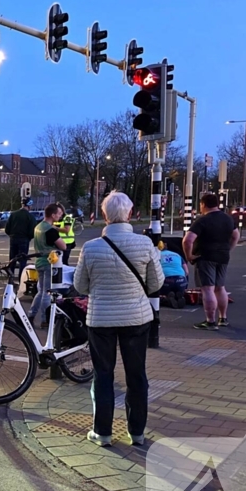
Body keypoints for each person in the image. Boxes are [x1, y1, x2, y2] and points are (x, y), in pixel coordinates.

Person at [74, 191, 164, 447]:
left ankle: (102, 433)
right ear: (130, 214)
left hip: (101, 320)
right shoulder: (145, 244)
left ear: (104, 216)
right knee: (136, 375)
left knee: (103, 375)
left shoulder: (90, 248)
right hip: (136, 319)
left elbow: (80, 286)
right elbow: (156, 282)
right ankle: (136, 432)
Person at [182, 192, 238, 331]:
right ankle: (223, 318)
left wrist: (189, 256)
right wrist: (228, 249)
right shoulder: (228, 219)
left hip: (206, 256)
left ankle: (210, 321)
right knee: (220, 287)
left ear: (203, 204)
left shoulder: (203, 221)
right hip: (223, 256)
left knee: (207, 289)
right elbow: (235, 235)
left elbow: (187, 240)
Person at [29, 203, 69, 328]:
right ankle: (45, 319)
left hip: (39, 262)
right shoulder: (50, 230)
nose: (60, 216)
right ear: (53, 215)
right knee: (47, 292)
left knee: (40, 291)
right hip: (49, 263)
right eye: (59, 214)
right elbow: (63, 246)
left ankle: (31, 315)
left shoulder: (38, 227)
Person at [158, 243, 189, 308]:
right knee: (179, 285)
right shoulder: (177, 255)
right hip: (181, 280)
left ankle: (168, 296)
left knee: (163, 289)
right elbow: (187, 271)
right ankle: (180, 294)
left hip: (166, 280)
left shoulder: (157, 255)